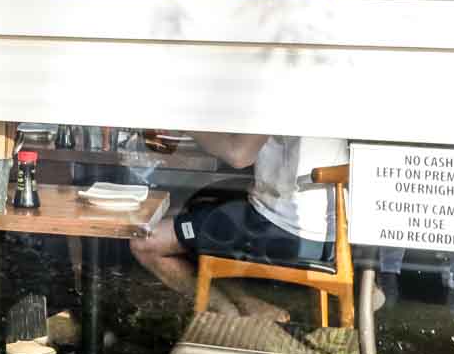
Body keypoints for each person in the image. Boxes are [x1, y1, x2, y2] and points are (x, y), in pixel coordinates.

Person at [130, 132, 349, 322]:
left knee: (147, 242)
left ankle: (227, 314)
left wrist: (183, 124)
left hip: (281, 228)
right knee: (198, 214)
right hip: (330, 234)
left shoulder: (277, 86)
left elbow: (239, 154)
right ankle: (249, 305)